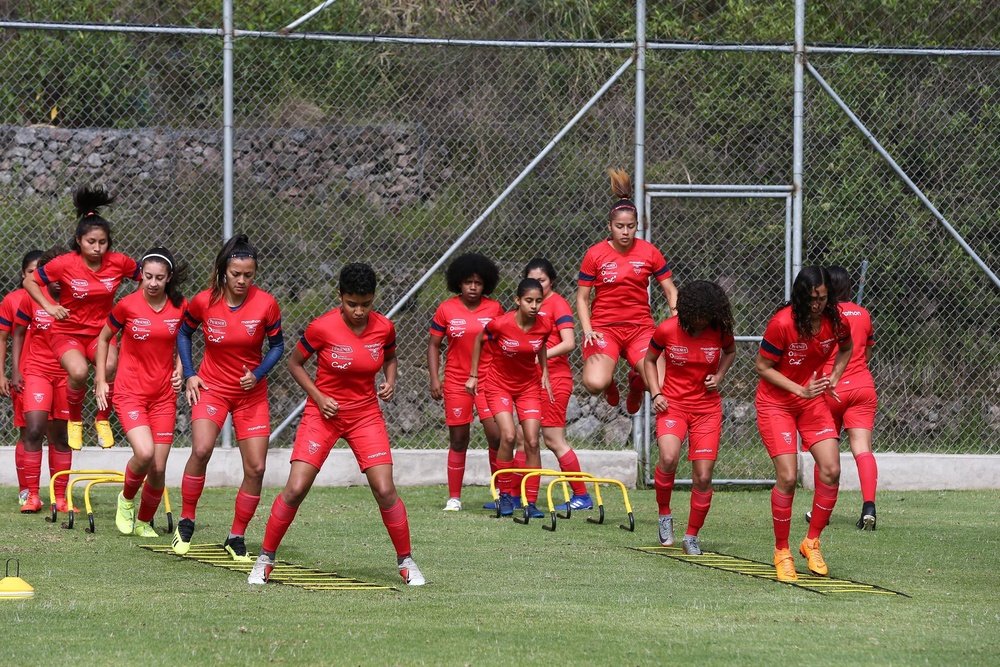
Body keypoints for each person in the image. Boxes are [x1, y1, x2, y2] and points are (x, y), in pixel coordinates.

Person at [249, 263, 424, 586]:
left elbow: (390, 356)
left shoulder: (384, 327)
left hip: (365, 415)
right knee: (296, 487)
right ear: (340, 297)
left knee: (385, 489)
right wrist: (318, 396)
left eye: (366, 304)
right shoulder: (322, 328)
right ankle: (265, 558)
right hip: (323, 415)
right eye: (352, 303)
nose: (359, 311)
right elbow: (294, 363)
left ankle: (406, 561)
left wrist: (390, 379)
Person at [174, 234, 284, 561]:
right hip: (212, 389)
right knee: (203, 448)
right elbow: (184, 332)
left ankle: (236, 536)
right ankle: (187, 519)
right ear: (224, 272)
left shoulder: (266, 303)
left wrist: (258, 373)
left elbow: (277, 346)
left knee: (256, 467)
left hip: (251, 396)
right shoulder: (203, 301)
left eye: (248, 275)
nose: (242, 280)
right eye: (236, 274)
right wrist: (191, 373)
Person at [24, 186, 140, 450]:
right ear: (79, 241)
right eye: (91, 242)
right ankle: (75, 421)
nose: (98, 248)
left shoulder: (120, 262)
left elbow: (147, 279)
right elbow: (31, 280)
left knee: (109, 368)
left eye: (103, 242)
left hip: (102, 333)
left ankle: (102, 419)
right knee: (78, 371)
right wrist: (49, 305)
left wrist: (134, 310)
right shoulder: (65, 263)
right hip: (68, 332)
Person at [755, 266, 851, 582]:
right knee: (788, 475)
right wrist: (799, 389)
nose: (817, 305)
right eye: (811, 298)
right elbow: (762, 366)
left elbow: (846, 348)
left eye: (822, 298)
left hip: (811, 402)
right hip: (777, 403)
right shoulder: (782, 323)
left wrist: (834, 377)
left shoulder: (835, 321)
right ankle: (781, 551)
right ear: (800, 296)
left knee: (831, 470)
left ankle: (811, 542)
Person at [94, 248, 186, 537]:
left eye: (159, 277)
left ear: (169, 277)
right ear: (141, 276)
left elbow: (186, 340)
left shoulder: (180, 307)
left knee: (158, 468)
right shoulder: (127, 305)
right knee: (144, 453)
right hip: (130, 392)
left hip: (163, 396)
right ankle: (126, 499)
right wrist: (100, 380)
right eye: (148, 277)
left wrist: (181, 370)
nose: (153, 283)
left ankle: (145, 521)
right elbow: (104, 337)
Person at [641, 280, 736, 555]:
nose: (701, 321)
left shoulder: (719, 331)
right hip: (673, 406)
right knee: (669, 458)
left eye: (707, 316)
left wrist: (719, 375)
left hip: (706, 409)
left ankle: (692, 535)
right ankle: (664, 514)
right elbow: (649, 360)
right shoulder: (667, 329)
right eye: (698, 315)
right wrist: (656, 392)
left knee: (703, 477)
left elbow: (730, 352)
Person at [577, 168, 678, 417]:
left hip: (640, 329)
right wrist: (588, 329)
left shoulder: (649, 252)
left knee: (662, 384)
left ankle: (636, 383)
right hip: (604, 329)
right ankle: (609, 381)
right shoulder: (595, 254)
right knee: (594, 384)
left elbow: (669, 289)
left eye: (630, 226)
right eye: (619, 226)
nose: (625, 232)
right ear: (610, 226)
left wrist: (676, 318)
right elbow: (582, 297)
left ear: (637, 226)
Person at [466, 278, 554, 518]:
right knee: (508, 435)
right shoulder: (501, 324)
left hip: (528, 388)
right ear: (517, 301)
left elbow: (541, 344)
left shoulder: (545, 324)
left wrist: (545, 370)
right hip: (498, 385)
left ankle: (530, 501)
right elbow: (478, 340)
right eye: (528, 301)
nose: (534, 306)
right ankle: (504, 495)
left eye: (538, 301)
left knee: (533, 441)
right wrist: (474, 375)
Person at [427, 253, 504, 511]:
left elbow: (504, 343)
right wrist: (435, 378)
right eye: (468, 282)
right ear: (458, 282)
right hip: (457, 381)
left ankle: (500, 493)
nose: (473, 287)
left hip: (489, 380)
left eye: (478, 283)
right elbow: (434, 345)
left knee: (497, 436)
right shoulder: (446, 309)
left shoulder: (494, 309)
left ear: (486, 285)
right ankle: (454, 497)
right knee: (459, 438)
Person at [522, 258, 592, 511]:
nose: (538, 286)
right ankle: (523, 497)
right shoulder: (529, 306)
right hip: (530, 380)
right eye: (533, 281)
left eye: (542, 280)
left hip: (554, 379)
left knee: (553, 439)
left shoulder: (558, 304)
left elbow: (568, 343)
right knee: (523, 437)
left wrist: (536, 355)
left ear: (551, 281)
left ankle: (582, 496)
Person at [10, 247, 73, 513]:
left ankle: (60, 497)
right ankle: (32, 496)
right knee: (34, 429)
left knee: (60, 435)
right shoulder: (32, 298)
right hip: (37, 371)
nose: (58, 279)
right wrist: (16, 369)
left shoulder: (80, 299)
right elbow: (19, 333)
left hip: (65, 374)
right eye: (53, 274)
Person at [822, 265, 879, 530]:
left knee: (825, 450)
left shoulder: (823, 314)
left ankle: (820, 510)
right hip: (862, 386)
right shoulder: (864, 313)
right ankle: (869, 506)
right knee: (862, 449)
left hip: (830, 388)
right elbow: (866, 354)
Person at [0, 250, 43, 507]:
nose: (35, 277)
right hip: (24, 375)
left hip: (52, 374)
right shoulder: (13, 300)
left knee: (57, 432)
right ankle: (26, 491)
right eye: (30, 272)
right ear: (22, 274)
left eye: (40, 273)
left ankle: (58, 495)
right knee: (28, 431)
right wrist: (2, 374)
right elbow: (4, 338)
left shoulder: (54, 300)